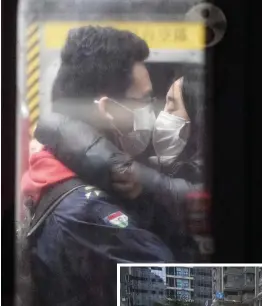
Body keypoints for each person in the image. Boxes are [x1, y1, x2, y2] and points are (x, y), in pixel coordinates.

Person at [18, 26, 181, 306]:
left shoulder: (61, 176)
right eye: (144, 101)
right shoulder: (88, 213)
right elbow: (183, 292)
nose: (153, 114)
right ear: (107, 110)